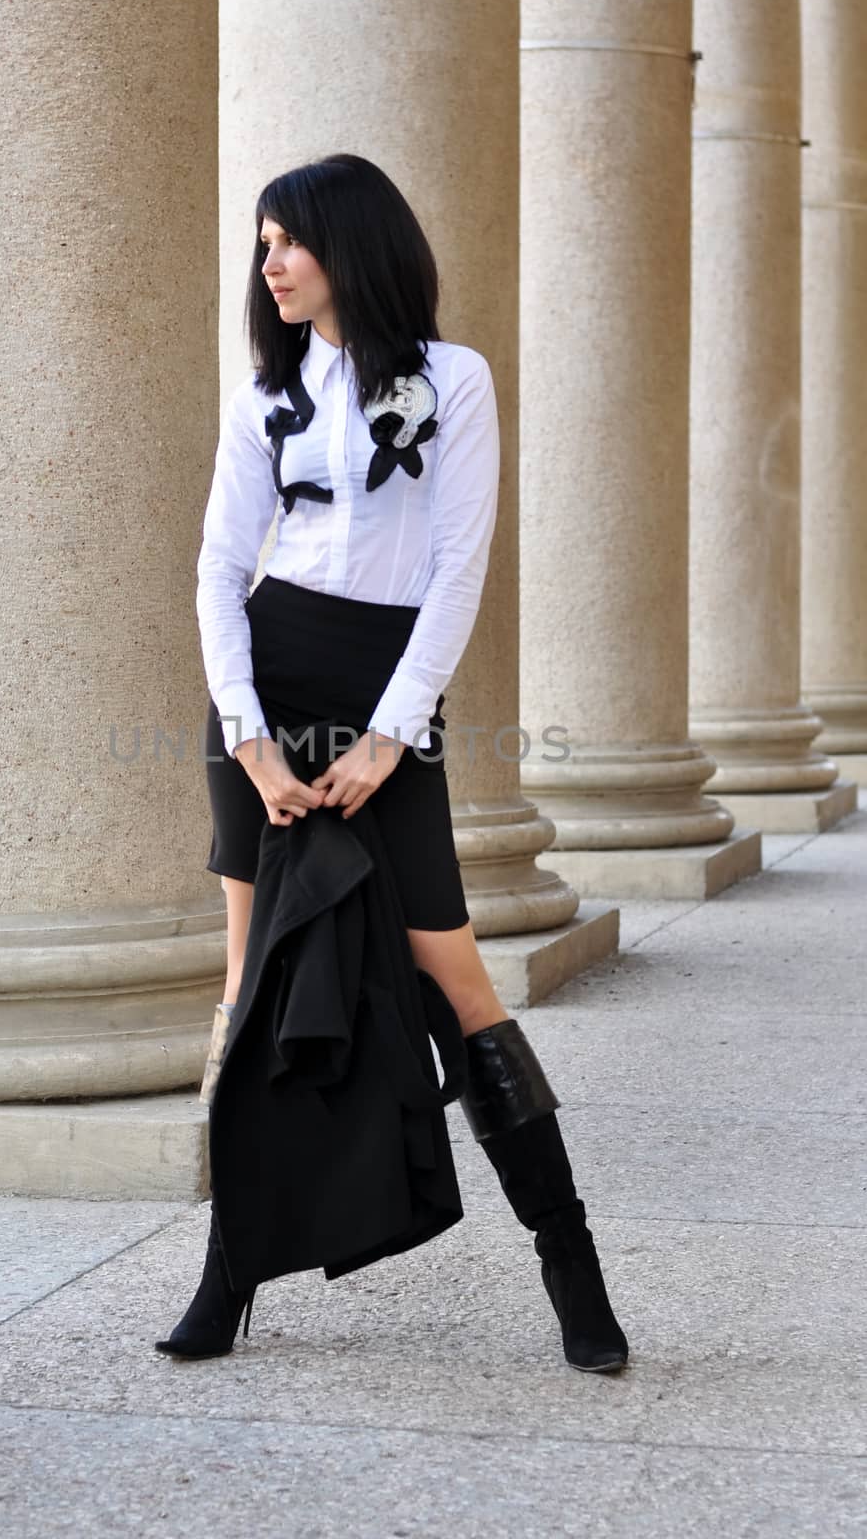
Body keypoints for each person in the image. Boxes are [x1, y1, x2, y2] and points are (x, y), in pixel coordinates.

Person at [155, 153, 629, 1373]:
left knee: (453, 976)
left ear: (347, 242)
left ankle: (568, 1260)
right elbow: (217, 566)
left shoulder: (452, 380)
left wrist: (389, 734)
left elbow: (457, 567)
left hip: (387, 696)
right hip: (266, 680)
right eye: (259, 245)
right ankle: (228, 1274)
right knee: (249, 983)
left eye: (286, 241)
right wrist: (249, 736)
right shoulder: (263, 395)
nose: (267, 264)